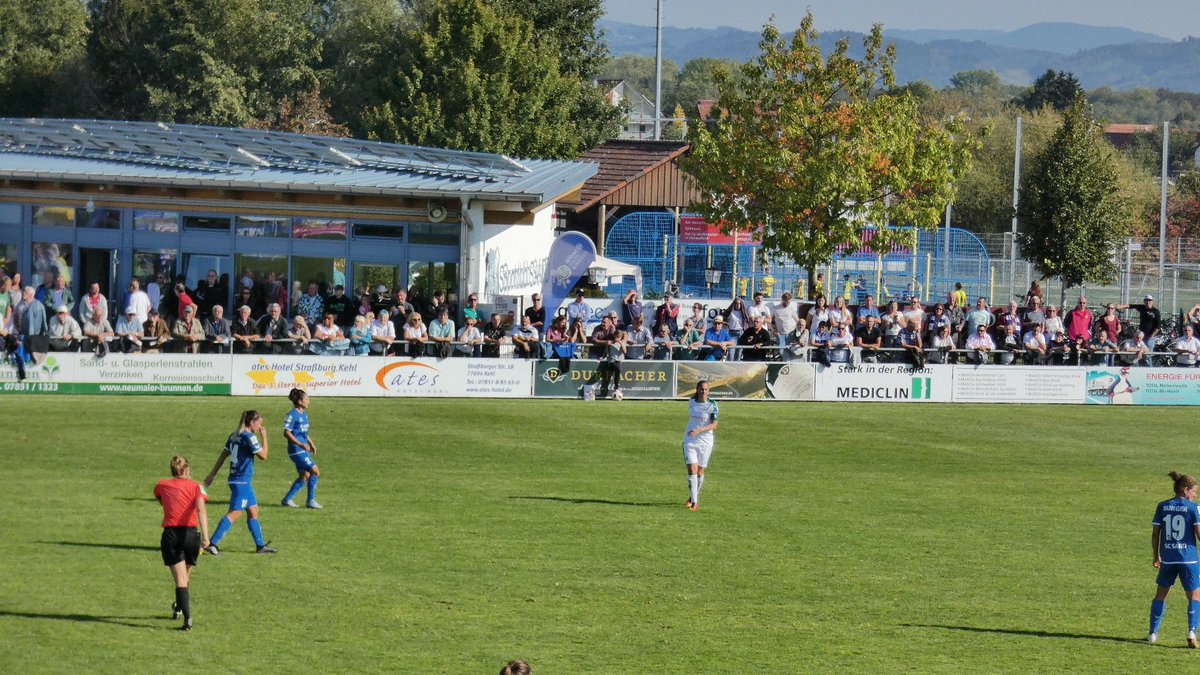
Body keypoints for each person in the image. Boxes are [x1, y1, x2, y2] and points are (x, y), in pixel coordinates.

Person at [203, 410, 277, 555]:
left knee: (253, 511)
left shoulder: (234, 435)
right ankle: (212, 543)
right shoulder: (250, 437)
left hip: (237, 480)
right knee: (235, 513)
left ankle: (260, 546)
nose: (260, 427)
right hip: (242, 481)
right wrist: (264, 437)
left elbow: (223, 455)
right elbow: (264, 455)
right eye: (259, 423)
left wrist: (212, 474)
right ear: (252, 422)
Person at [154, 455, 210, 631]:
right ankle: (179, 606)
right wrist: (206, 537)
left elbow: (159, 498)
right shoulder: (197, 487)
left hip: (172, 535)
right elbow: (201, 510)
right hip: (191, 535)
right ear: (186, 470)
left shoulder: (162, 485)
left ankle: (187, 619)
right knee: (185, 576)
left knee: (181, 578)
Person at [1147, 471, 1200, 647]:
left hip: (1168, 559)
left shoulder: (1162, 506)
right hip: (1188, 560)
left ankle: (1153, 633)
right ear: (1185, 490)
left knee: (1161, 595)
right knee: (1194, 596)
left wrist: (1156, 556)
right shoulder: (1193, 508)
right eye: (1194, 492)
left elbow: (1155, 534)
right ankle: (1192, 632)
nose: (1195, 495)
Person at [280, 388, 322, 509]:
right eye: (306, 399)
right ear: (299, 401)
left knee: (305, 475)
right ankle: (310, 501)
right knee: (315, 471)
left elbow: (303, 433)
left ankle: (287, 500)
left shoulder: (304, 414)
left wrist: (311, 443)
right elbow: (286, 433)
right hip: (296, 450)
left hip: (303, 449)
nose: (309, 401)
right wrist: (300, 444)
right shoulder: (292, 415)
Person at [682, 380, 719, 512]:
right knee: (692, 469)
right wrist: (694, 432)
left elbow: (715, 424)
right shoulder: (691, 402)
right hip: (690, 440)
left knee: (700, 472)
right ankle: (695, 503)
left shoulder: (712, 405)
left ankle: (692, 497)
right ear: (697, 390)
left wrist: (699, 430)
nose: (704, 391)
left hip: (706, 442)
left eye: (706, 389)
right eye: (701, 389)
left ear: (709, 391)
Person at [597, 329, 627, 399]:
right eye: (616, 336)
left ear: (621, 337)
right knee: (617, 369)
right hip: (611, 361)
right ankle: (616, 386)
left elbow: (625, 351)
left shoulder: (622, 343)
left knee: (614, 372)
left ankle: (615, 387)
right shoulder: (610, 343)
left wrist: (620, 342)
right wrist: (602, 357)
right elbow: (606, 352)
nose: (617, 338)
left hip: (619, 361)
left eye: (618, 337)